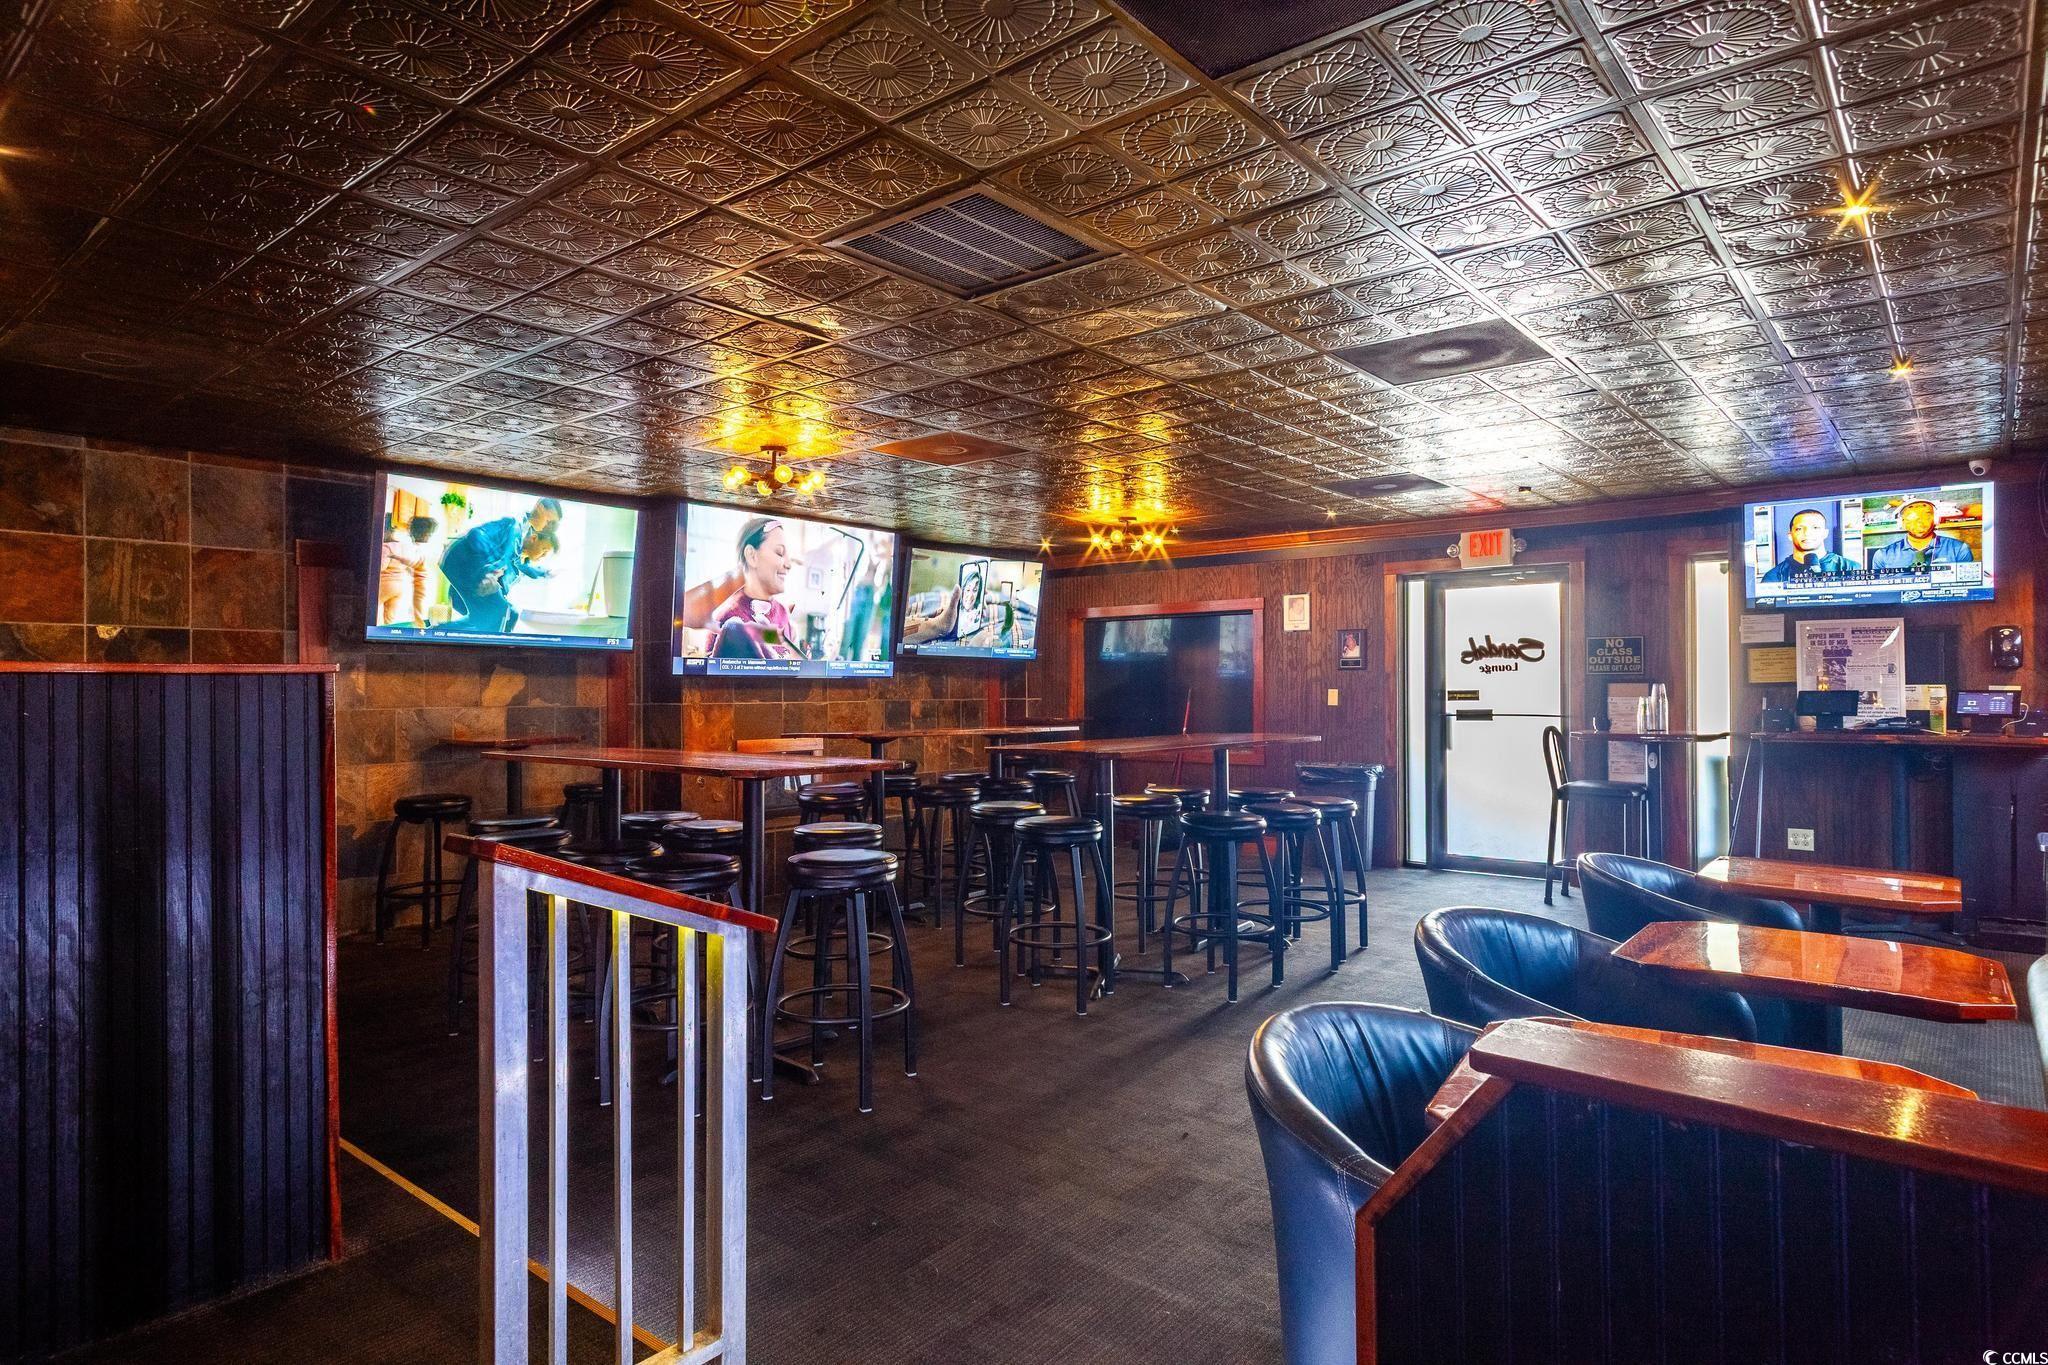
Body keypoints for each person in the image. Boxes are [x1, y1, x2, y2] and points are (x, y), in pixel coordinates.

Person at [436, 497, 561, 635]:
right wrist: (489, 570)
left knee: (503, 616)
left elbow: (516, 562)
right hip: (462, 561)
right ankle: (435, 634)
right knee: (502, 613)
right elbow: (476, 534)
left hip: (471, 571)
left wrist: (544, 573)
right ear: (540, 507)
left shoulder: (521, 535)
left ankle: (435, 633)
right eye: (549, 521)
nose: (548, 527)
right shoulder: (513, 524)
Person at [708, 517, 806, 660]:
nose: (788, 565)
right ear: (752, 555)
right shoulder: (727, 618)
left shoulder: (783, 613)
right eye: (779, 552)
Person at [1868, 496, 1975, 573]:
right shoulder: (1882, 555)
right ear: (1902, 523)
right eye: (1912, 517)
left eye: (1926, 516)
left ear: (1936, 519)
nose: (1920, 522)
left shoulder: (1959, 549)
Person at [1761, 508, 1854, 583]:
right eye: (1799, 529)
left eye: (1815, 527)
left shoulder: (1850, 567)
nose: (1807, 533)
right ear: (1790, 535)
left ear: (1825, 533)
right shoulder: (1774, 576)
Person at [377, 515, 436, 627]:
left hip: (387, 585)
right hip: (401, 586)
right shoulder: (405, 547)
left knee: (375, 611)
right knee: (390, 618)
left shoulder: (387, 547)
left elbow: (381, 567)